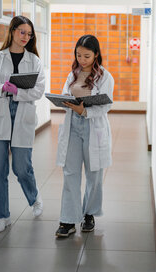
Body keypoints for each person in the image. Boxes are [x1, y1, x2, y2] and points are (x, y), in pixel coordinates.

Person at [0, 15, 45, 233]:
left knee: (21, 168)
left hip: (23, 116)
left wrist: (18, 91)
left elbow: (38, 91)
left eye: (29, 33)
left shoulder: (35, 61)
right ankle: (0, 216)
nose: (26, 37)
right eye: (22, 32)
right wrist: (2, 89)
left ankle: (34, 197)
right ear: (13, 31)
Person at [55, 34, 114, 238]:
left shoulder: (105, 76)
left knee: (94, 174)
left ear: (96, 54)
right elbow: (65, 93)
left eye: (87, 56)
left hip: (93, 126)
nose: (82, 60)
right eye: (79, 55)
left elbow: (106, 105)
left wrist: (85, 111)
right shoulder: (73, 74)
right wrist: (65, 102)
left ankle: (89, 213)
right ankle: (68, 219)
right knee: (70, 172)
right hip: (73, 125)